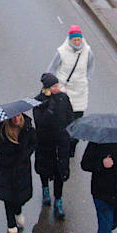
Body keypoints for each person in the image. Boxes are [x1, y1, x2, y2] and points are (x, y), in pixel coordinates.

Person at [33, 72, 74, 219]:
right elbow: (39, 122)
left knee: (59, 172)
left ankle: (58, 201)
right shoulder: (38, 102)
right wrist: (49, 110)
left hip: (61, 142)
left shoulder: (63, 98)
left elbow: (70, 116)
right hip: (45, 143)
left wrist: (70, 135)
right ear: (47, 88)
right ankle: (45, 190)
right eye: (55, 86)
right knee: (45, 169)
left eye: (58, 85)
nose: (58, 88)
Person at [48, 25, 93, 155]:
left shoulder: (88, 52)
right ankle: (63, 143)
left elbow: (90, 68)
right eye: (75, 40)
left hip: (80, 93)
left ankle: (72, 145)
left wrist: (85, 81)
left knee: (77, 121)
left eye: (79, 40)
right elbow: (52, 68)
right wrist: (54, 85)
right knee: (64, 120)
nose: (77, 42)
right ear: (70, 40)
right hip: (64, 91)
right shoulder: (61, 52)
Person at [0, 113, 36, 233]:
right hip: (6, 168)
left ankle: (18, 210)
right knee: (8, 197)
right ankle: (11, 223)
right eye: (13, 117)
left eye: (18, 116)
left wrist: (24, 153)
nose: (16, 119)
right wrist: (11, 151)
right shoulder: (2, 130)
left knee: (20, 197)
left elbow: (33, 143)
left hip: (22, 169)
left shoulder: (28, 128)